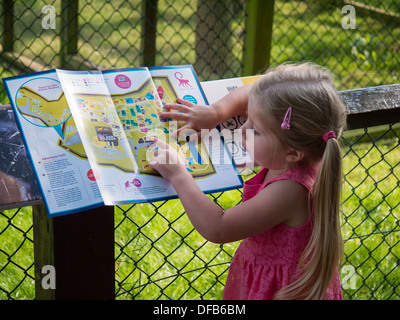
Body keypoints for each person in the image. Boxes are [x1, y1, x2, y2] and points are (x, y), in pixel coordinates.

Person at [148, 62, 347, 300]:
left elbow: (219, 228)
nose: (242, 129)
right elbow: (254, 92)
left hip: (279, 290)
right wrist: (215, 113)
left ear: (292, 152)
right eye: (247, 118)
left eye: (255, 129)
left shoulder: (290, 190)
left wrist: (178, 174)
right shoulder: (304, 150)